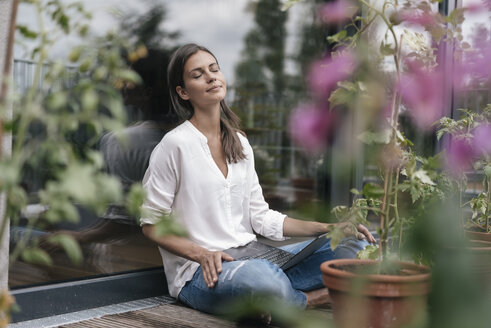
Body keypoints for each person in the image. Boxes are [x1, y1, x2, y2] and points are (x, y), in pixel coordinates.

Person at [140, 43, 376, 317]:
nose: (211, 77)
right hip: (203, 273)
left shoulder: (239, 142)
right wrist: (201, 254)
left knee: (357, 246)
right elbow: (151, 224)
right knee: (262, 280)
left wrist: (326, 227)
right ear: (182, 92)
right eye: (198, 74)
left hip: (256, 256)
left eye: (214, 69)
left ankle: (277, 297)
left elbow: (260, 217)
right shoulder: (174, 146)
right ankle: (311, 299)